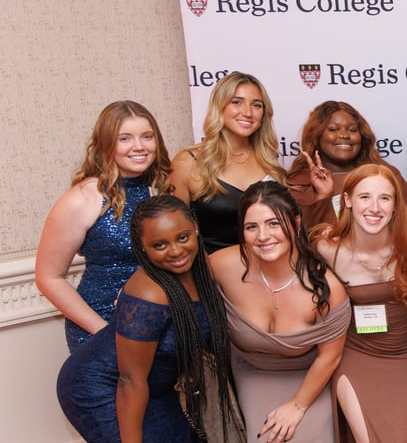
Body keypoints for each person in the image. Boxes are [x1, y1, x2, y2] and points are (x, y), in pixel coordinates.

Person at [57, 195, 241, 442]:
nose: (176, 251)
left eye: (183, 237)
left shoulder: (202, 266)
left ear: (195, 228)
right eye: (160, 245)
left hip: (155, 386)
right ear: (142, 246)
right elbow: (130, 380)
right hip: (101, 387)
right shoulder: (150, 294)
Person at [210, 181, 350, 443]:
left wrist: (297, 407)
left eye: (273, 223)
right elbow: (181, 278)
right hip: (252, 371)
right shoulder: (223, 265)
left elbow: (330, 357)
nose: (263, 236)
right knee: (265, 437)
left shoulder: (325, 287)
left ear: (296, 223)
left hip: (309, 378)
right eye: (252, 227)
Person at [36, 101, 170, 351]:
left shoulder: (163, 190)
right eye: (125, 138)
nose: (139, 146)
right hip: (101, 327)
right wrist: (105, 332)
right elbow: (48, 277)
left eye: (147, 136)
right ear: (106, 144)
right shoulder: (83, 198)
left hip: (160, 325)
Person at [311, 164, 407, 442]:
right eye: (365, 197)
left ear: (396, 206)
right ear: (348, 200)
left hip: (404, 357)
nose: (374, 208)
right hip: (355, 355)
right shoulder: (328, 248)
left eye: (384, 198)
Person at [171, 71, 287, 254]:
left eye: (256, 105)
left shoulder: (269, 161)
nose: (248, 112)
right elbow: (173, 233)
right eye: (236, 102)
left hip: (267, 274)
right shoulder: (188, 161)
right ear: (219, 106)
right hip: (212, 275)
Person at [288, 101, 407, 231]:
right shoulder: (297, 183)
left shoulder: (387, 175)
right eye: (333, 129)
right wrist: (322, 197)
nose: (344, 135)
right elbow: (298, 236)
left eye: (352, 130)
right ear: (317, 136)